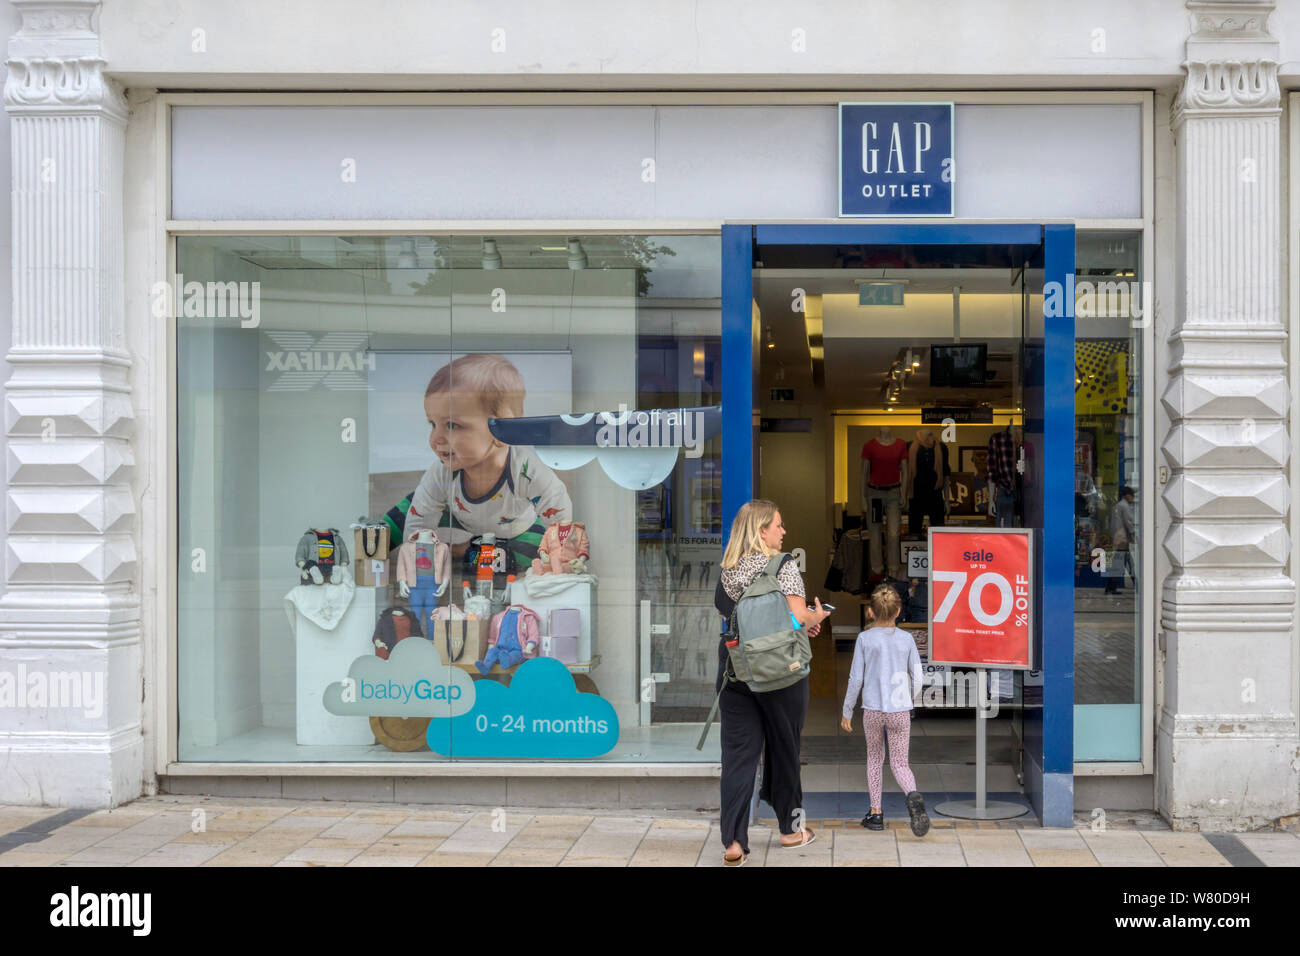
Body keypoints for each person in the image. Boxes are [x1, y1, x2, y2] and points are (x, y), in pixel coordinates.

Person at [714, 499, 831, 866]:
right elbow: (797, 619)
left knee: (737, 757)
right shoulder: (783, 565)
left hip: (737, 672)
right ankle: (791, 831)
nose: (784, 531)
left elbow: (728, 614)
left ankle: (733, 842)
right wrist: (817, 615)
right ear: (761, 530)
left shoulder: (728, 569)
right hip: (782, 672)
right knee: (784, 750)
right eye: (778, 525)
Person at [404, 354, 572, 571]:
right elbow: (418, 525)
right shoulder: (442, 472)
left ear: (501, 429)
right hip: (459, 519)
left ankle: (466, 550)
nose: (436, 438)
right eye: (432, 424)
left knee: (525, 558)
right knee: (411, 509)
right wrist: (418, 559)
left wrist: (560, 556)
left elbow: (558, 510)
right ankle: (378, 540)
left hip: (517, 530)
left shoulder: (525, 469)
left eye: (452, 425)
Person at [840, 583, 930, 837]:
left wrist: (847, 710)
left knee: (875, 759)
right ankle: (913, 796)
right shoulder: (907, 639)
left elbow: (855, 678)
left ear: (870, 612)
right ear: (899, 611)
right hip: (900, 710)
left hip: (873, 711)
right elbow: (919, 677)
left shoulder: (865, 639)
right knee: (901, 763)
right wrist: (907, 699)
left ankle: (876, 814)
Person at [906, 428, 950, 536]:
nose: (927, 437)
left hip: (935, 494)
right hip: (915, 495)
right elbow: (904, 474)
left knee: (938, 532)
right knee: (914, 531)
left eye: (930, 434)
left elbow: (945, 475)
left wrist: (947, 500)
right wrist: (905, 497)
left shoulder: (941, 448)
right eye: (925, 435)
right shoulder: (909, 447)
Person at [1105, 485, 1137, 594]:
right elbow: (1129, 522)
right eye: (1132, 496)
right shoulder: (1125, 506)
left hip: (1116, 539)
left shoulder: (1116, 506)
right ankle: (1137, 585)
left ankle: (1110, 588)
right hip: (1122, 539)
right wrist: (1134, 536)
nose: (1133, 498)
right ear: (1127, 496)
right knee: (1125, 563)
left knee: (1119, 563)